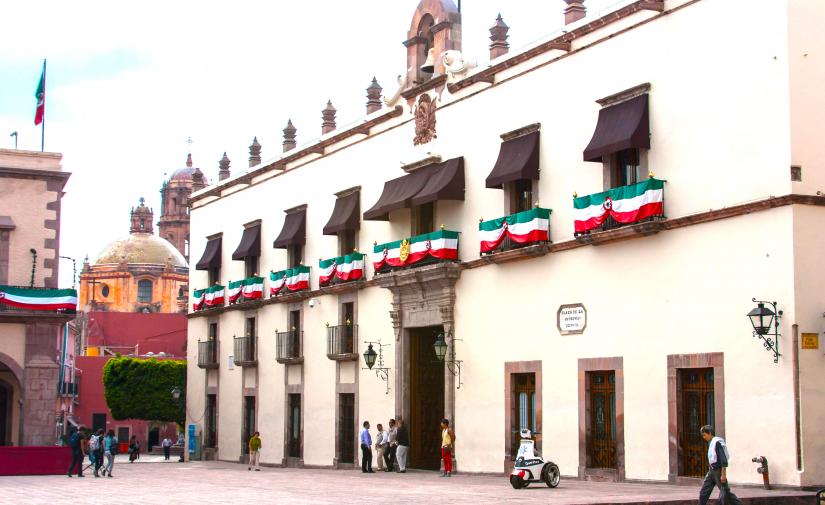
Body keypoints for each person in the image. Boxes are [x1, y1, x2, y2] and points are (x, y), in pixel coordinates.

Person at [699, 425, 743, 505]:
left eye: (704, 435)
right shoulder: (711, 443)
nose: (704, 437)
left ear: (710, 433)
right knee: (704, 492)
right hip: (712, 471)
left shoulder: (717, 443)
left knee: (726, 494)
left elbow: (723, 460)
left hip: (718, 472)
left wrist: (723, 474)